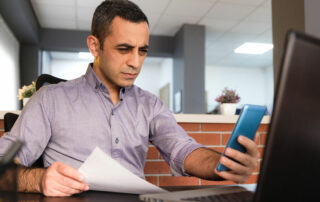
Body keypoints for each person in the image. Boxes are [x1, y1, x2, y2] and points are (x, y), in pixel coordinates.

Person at [0, 0, 259, 197]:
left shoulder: (150, 105)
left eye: (142, 51)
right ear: (94, 46)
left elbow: (183, 149)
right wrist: (39, 179)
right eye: (124, 49)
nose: (135, 62)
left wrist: (222, 164)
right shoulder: (50, 100)